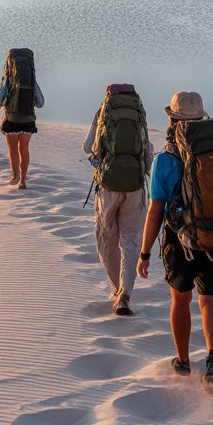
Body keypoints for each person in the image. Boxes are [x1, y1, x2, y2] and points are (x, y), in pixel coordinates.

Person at [137, 91, 213, 392]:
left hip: (181, 242)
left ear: (173, 120)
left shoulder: (165, 159)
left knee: (181, 299)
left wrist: (145, 253)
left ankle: (183, 362)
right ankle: (212, 361)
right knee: (211, 301)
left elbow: (155, 211)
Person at [83, 84, 154, 316]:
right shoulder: (139, 114)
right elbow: (148, 153)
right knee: (131, 243)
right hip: (134, 186)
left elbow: (87, 147)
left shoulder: (103, 111)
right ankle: (125, 295)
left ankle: (117, 290)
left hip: (108, 186)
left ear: (109, 95)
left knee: (106, 240)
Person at [0, 47, 43, 189]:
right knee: (24, 149)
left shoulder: (8, 79)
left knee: (13, 150)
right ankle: (22, 180)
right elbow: (41, 103)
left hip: (11, 119)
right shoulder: (32, 81)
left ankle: (15, 176)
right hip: (28, 120)